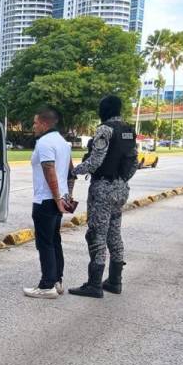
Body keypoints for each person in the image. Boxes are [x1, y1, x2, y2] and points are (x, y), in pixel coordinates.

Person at [69, 95, 137, 298]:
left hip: (103, 189)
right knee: (114, 234)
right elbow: (134, 162)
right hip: (121, 188)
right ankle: (115, 281)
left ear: (103, 110)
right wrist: (121, 180)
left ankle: (94, 284)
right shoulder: (128, 131)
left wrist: (74, 171)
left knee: (97, 234)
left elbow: (95, 161)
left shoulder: (105, 130)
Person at [23, 106, 71, 299]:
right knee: (54, 240)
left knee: (45, 243)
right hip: (58, 198)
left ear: (43, 123)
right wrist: (66, 196)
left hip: (46, 199)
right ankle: (57, 280)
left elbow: (49, 170)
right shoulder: (62, 142)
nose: (33, 126)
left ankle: (47, 285)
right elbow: (70, 172)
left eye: (35, 123)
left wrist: (58, 198)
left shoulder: (44, 142)